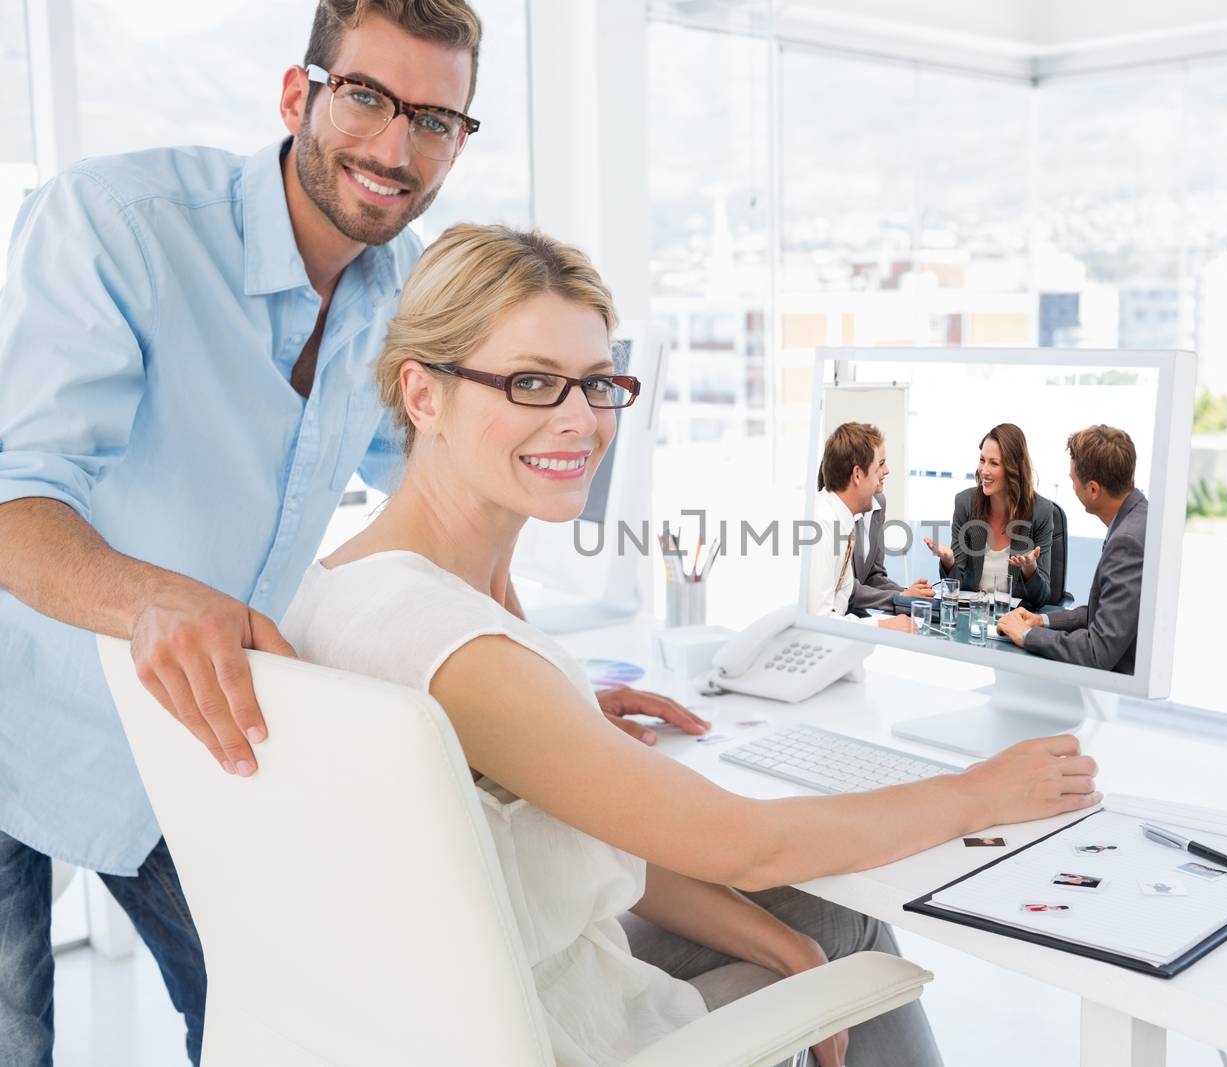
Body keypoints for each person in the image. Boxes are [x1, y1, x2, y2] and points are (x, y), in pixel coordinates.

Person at [0, 3, 694, 1061]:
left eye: (436, 119)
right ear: (300, 95)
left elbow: (446, 503)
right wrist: (153, 596)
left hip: (210, 736)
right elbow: (15, 491)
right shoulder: (115, 223)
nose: (395, 147)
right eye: (368, 97)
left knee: (286, 1022)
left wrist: (535, 690)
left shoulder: (406, 290)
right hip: (24, 718)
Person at [282, 224, 1103, 1067]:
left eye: (597, 384)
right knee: (839, 908)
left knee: (818, 918)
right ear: (423, 396)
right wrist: (979, 792)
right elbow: (748, 843)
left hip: (472, 991)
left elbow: (590, 827)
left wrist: (788, 949)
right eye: (530, 382)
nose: (579, 421)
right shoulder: (462, 645)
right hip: (555, 1025)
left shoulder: (359, 582)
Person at [996, 424, 1145, 675]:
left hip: (1117, 695)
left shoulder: (1127, 541)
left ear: (1094, 490)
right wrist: (1041, 621)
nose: (1072, 485)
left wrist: (1028, 635)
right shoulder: (1137, 517)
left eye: (1074, 480)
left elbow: (1098, 651)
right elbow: (1104, 615)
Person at [807, 422, 923, 633]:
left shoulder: (844, 521)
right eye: (879, 465)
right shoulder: (822, 525)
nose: (885, 472)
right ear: (858, 474)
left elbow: (842, 599)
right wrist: (882, 625)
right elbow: (820, 620)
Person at [924, 423, 1055, 609]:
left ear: (1014, 468)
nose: (984, 470)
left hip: (1012, 622)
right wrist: (948, 560)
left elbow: (1041, 598)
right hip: (972, 617)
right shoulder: (965, 504)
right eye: (982, 460)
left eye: (994, 463)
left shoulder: (1040, 511)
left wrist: (1030, 569)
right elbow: (956, 588)